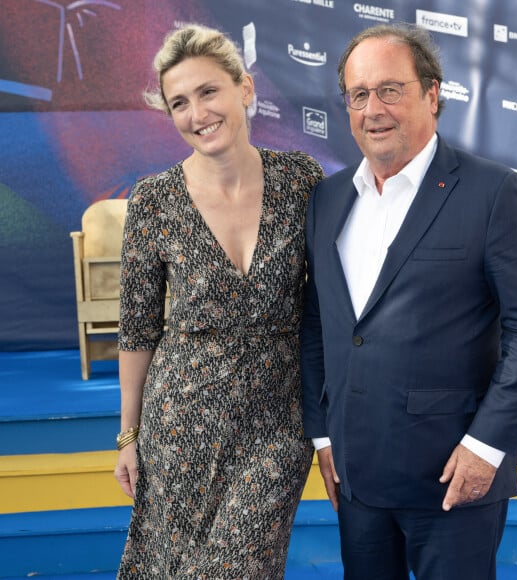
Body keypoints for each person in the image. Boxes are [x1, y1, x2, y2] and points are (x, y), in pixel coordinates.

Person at [300, 23, 517, 580]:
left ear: (433, 94)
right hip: (358, 479)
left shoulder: (493, 193)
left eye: (390, 89)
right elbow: (320, 322)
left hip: (454, 478)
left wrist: (487, 447)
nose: (374, 109)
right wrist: (323, 436)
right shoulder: (327, 198)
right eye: (359, 94)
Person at [113, 23, 324, 578]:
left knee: (241, 565)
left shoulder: (300, 179)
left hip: (279, 418)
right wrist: (130, 437)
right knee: (172, 567)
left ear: (245, 89)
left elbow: (331, 303)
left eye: (208, 92)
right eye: (178, 103)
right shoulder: (154, 200)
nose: (196, 113)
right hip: (181, 417)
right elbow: (137, 333)